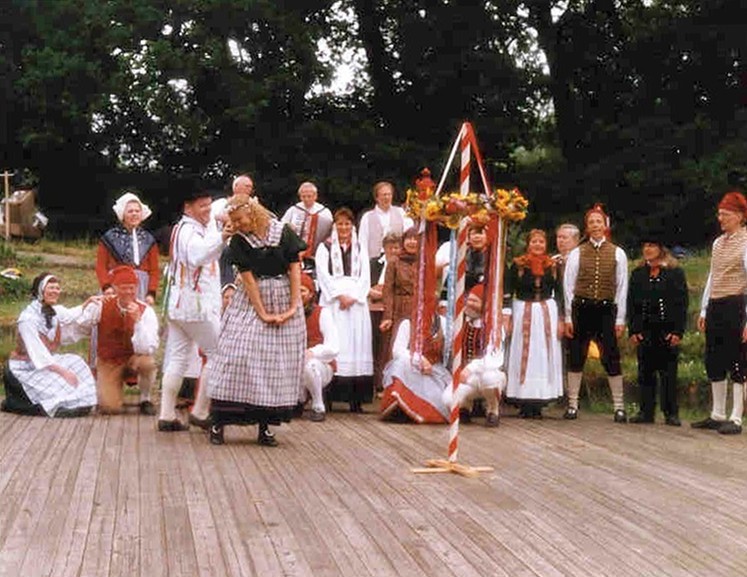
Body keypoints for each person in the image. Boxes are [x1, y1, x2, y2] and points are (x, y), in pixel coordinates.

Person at [207, 194, 307, 446]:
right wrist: (261, 312)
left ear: (253, 213)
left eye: (240, 220)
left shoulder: (281, 232)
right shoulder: (240, 242)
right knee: (237, 354)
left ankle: (266, 426)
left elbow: (294, 267)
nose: (238, 225)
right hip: (252, 299)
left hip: (283, 294)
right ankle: (219, 421)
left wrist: (294, 305)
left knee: (275, 360)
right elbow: (248, 279)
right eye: (234, 221)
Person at [158, 184, 230, 432]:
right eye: (202, 206)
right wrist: (223, 236)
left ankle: (167, 414)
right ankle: (200, 411)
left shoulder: (189, 228)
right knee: (218, 353)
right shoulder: (189, 231)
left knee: (177, 357)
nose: (208, 210)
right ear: (187, 208)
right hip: (193, 306)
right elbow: (198, 256)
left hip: (179, 305)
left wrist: (220, 229)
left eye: (209, 205)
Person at [563, 203, 629, 422]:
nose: (595, 225)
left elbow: (621, 287)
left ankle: (619, 406)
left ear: (605, 225)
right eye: (591, 222)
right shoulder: (577, 253)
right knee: (576, 355)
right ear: (587, 227)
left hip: (606, 310)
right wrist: (568, 316)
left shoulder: (618, 253)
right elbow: (568, 286)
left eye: (598, 222)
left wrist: (620, 318)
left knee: (611, 356)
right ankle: (572, 404)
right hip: (581, 308)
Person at [2, 273, 97, 418]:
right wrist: (63, 372)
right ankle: (45, 406)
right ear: (40, 290)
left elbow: (72, 314)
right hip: (24, 369)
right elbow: (38, 354)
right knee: (59, 381)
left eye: (57, 288)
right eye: (51, 287)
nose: (55, 291)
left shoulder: (54, 311)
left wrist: (88, 302)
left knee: (76, 362)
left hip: (44, 363)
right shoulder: (28, 319)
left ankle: (80, 402)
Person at [691, 191, 747, 435]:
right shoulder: (717, 243)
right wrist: (704, 308)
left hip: (736, 304)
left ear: (739, 216)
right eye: (719, 214)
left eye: (725, 215)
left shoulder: (746, 242)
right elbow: (713, 276)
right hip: (716, 304)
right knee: (714, 358)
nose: (720, 218)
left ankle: (736, 417)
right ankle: (717, 413)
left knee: (737, 360)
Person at [77, 265, 159, 415]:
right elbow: (81, 325)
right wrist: (86, 305)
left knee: (148, 363)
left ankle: (145, 398)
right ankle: (112, 390)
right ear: (114, 287)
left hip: (133, 358)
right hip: (109, 361)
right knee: (110, 408)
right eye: (123, 288)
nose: (128, 292)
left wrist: (138, 322)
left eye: (132, 288)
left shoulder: (146, 310)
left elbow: (148, 348)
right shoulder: (102, 304)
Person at [316, 207, 374, 412]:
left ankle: (356, 400)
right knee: (336, 343)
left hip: (356, 302)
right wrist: (339, 295)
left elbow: (366, 276)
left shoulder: (361, 248)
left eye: (347, 224)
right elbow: (322, 274)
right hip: (334, 301)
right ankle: (330, 397)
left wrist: (355, 297)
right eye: (340, 224)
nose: (343, 227)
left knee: (357, 345)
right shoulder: (324, 247)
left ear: (353, 226)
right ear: (334, 225)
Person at [627, 234, 688, 426]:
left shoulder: (674, 273)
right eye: (645, 246)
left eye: (652, 246)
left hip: (667, 330)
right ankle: (646, 411)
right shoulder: (638, 273)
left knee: (669, 372)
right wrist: (634, 330)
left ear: (661, 249)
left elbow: (681, 303)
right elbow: (632, 303)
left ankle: (671, 412)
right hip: (645, 329)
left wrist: (678, 331)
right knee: (645, 371)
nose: (647, 249)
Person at [504, 229, 564, 418]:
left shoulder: (553, 266)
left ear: (546, 245)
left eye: (541, 242)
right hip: (523, 310)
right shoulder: (518, 265)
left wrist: (562, 319)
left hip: (545, 312)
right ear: (528, 244)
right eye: (534, 242)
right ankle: (523, 400)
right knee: (524, 353)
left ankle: (539, 401)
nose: (537, 245)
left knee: (542, 355)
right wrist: (507, 315)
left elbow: (561, 294)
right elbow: (508, 290)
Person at [380, 312, 451, 423]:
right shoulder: (408, 322)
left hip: (434, 371)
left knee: (441, 400)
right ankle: (401, 407)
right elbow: (397, 350)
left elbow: (450, 351)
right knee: (400, 364)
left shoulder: (443, 322)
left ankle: (419, 411)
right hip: (411, 368)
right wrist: (420, 359)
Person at [450, 284, 504, 427]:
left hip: (486, 374)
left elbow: (493, 358)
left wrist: (470, 368)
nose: (469, 304)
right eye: (469, 300)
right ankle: (465, 407)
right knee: (447, 399)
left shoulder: (494, 327)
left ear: (484, 305)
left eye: (475, 301)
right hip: (466, 377)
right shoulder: (461, 323)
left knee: (490, 378)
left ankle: (493, 410)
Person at [96, 192, 160, 304]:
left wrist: (151, 293)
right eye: (130, 211)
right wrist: (106, 286)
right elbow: (101, 266)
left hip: (140, 287)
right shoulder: (109, 238)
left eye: (137, 211)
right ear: (122, 214)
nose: (134, 214)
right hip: (115, 286)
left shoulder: (149, 240)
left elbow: (154, 270)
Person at [299, 273, 339, 422]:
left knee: (310, 366)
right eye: (296, 290)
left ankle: (318, 405)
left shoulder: (323, 313)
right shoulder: (289, 313)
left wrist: (312, 352)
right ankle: (298, 399)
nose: (299, 295)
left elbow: (333, 347)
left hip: (321, 365)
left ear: (311, 294)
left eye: (302, 291)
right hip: (294, 363)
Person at [368, 232, 402, 393]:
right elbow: (364, 281)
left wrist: (384, 294)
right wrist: (370, 291)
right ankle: (372, 382)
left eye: (397, 247)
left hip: (391, 309)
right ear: (384, 248)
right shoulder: (374, 263)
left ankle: (384, 383)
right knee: (372, 345)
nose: (394, 251)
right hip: (371, 307)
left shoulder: (401, 266)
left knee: (386, 347)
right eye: (390, 247)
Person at [358, 181, 413, 271]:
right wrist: (364, 265)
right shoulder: (367, 217)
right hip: (375, 263)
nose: (387, 197)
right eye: (384, 195)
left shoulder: (401, 213)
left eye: (389, 194)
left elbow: (409, 235)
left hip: (398, 262)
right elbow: (362, 243)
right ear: (377, 197)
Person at [281, 181, 334, 274]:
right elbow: (281, 227)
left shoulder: (324, 212)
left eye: (309, 196)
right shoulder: (293, 210)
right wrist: (289, 228)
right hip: (296, 253)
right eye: (303, 196)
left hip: (317, 252)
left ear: (315, 196)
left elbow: (331, 233)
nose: (306, 199)